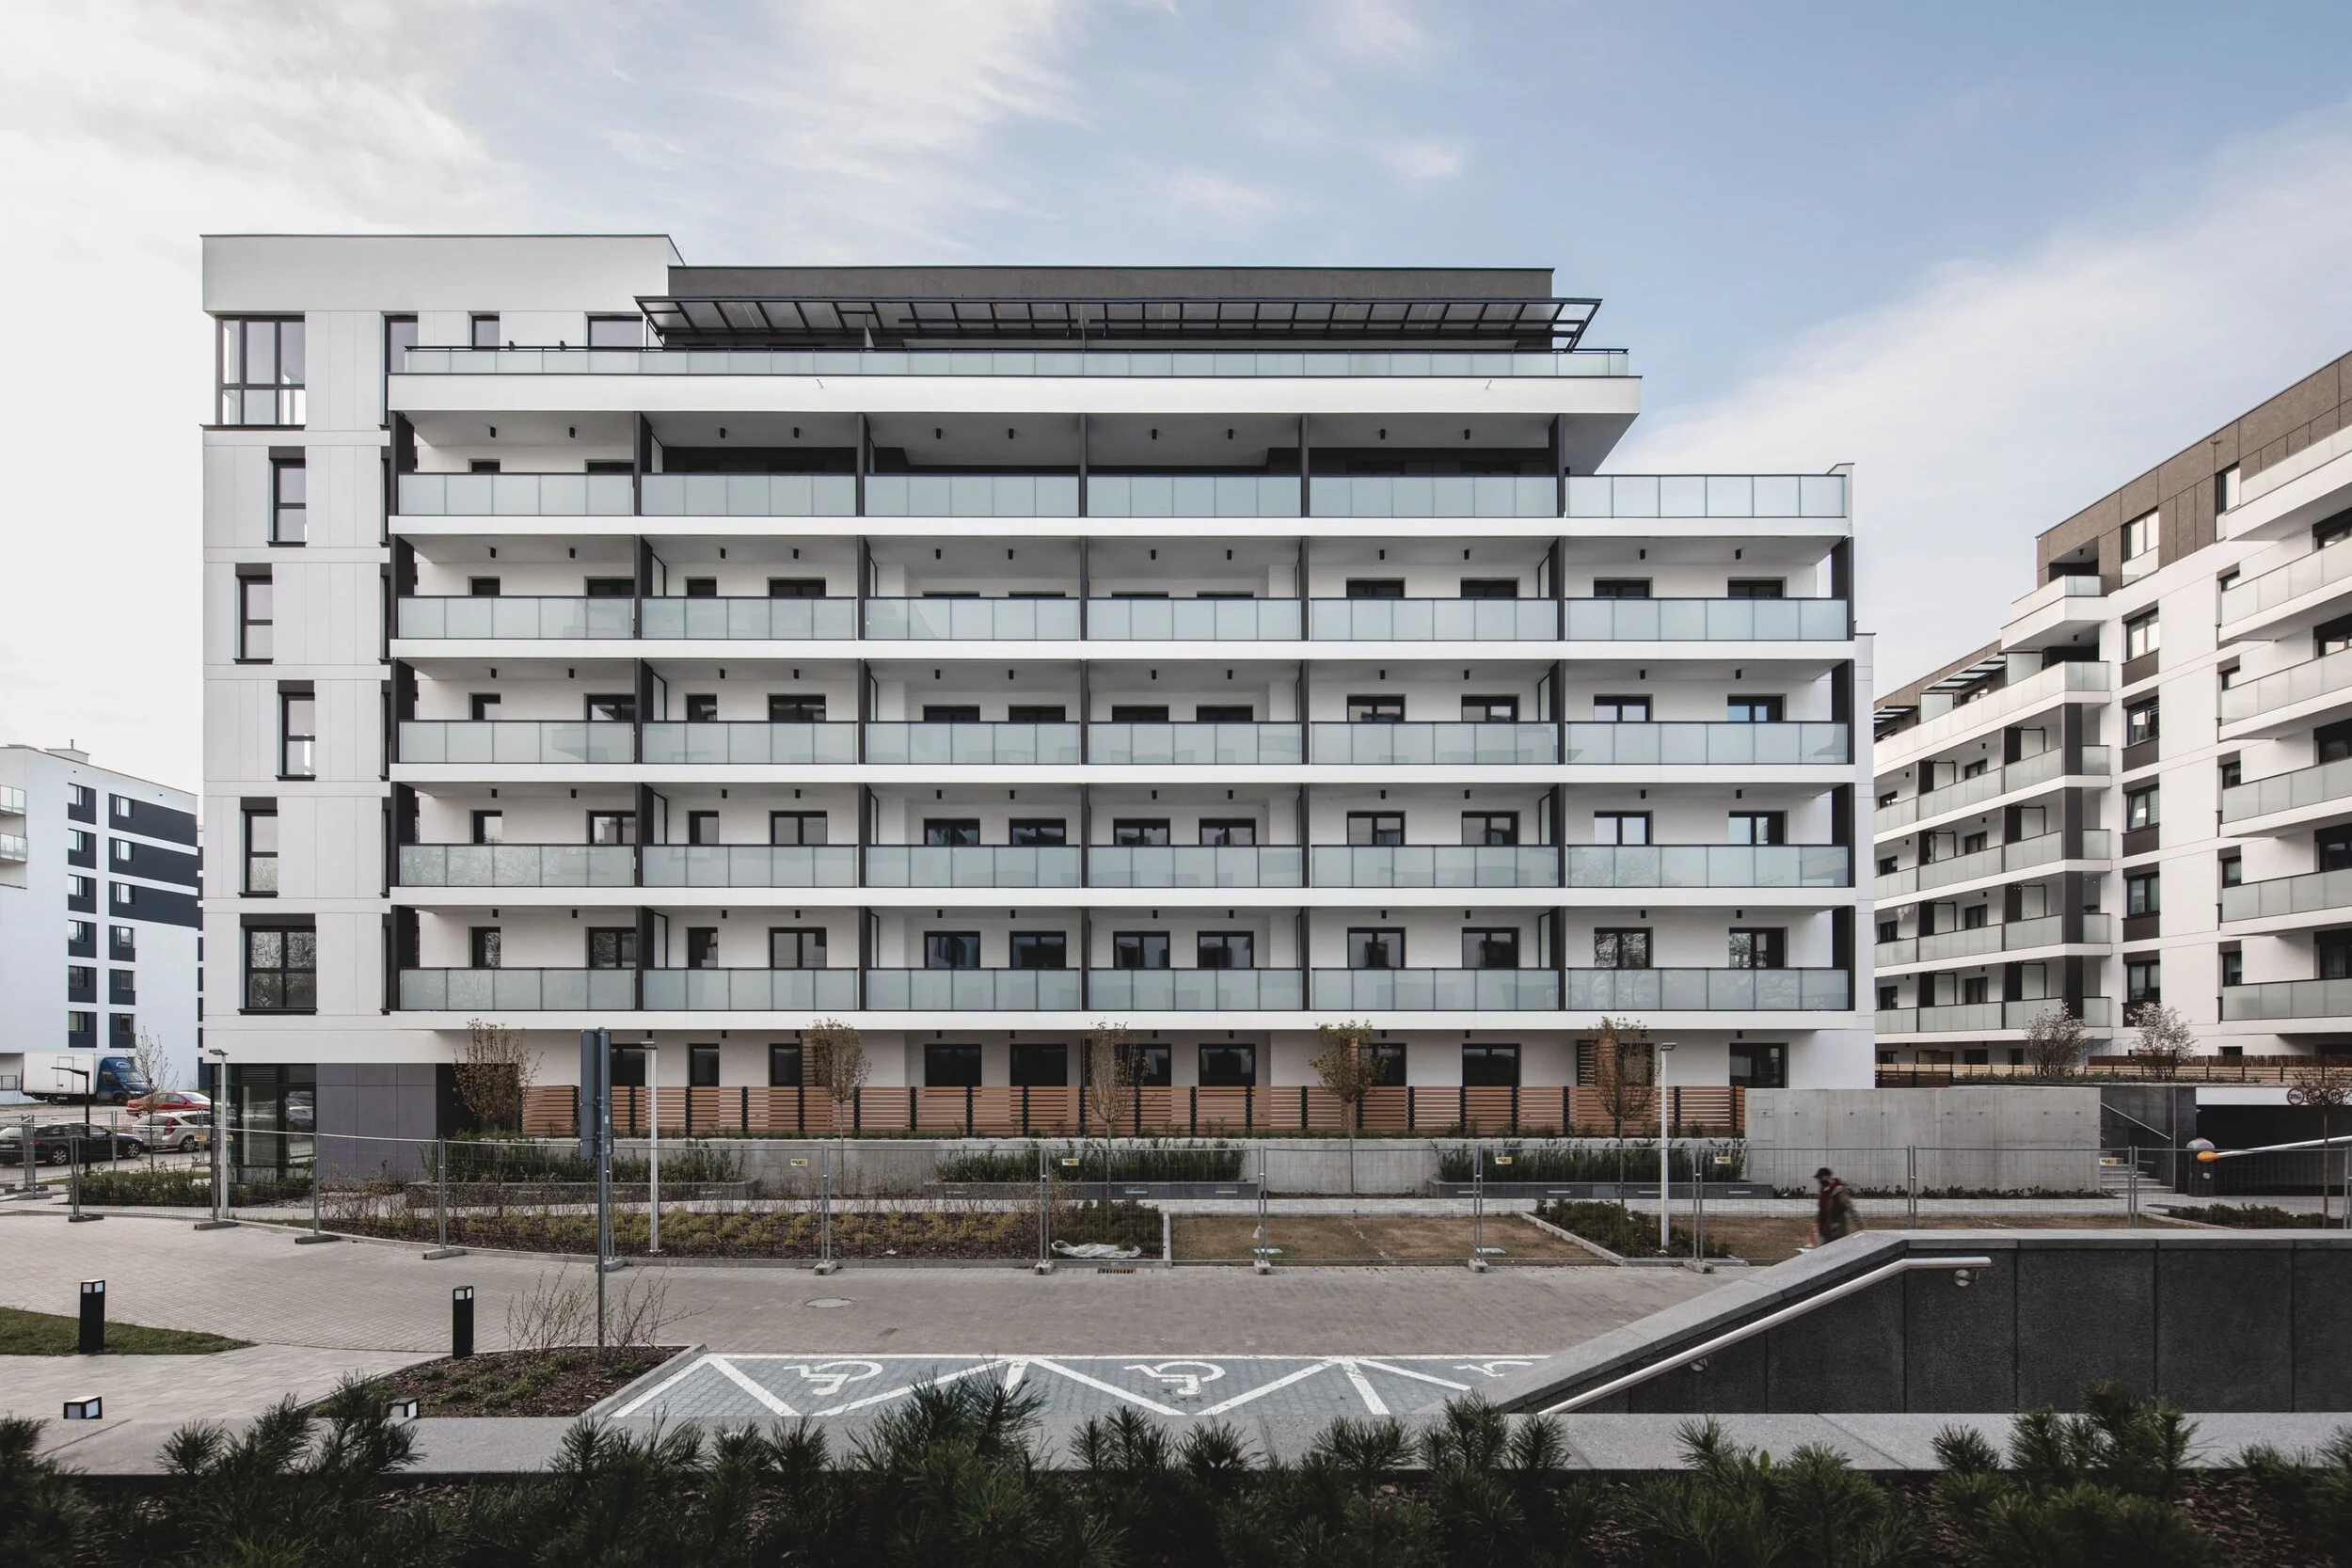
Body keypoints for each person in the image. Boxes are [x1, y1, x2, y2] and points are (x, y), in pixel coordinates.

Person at [1806, 1166, 1862, 1248]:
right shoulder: (1823, 1190)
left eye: (1820, 1178)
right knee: (1823, 1252)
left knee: (1837, 1252)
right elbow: (1822, 1209)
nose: (1819, 1181)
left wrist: (1860, 1227)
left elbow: (1851, 1209)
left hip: (1837, 1231)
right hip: (1825, 1229)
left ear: (1826, 1177)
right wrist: (1816, 1222)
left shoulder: (1839, 1191)